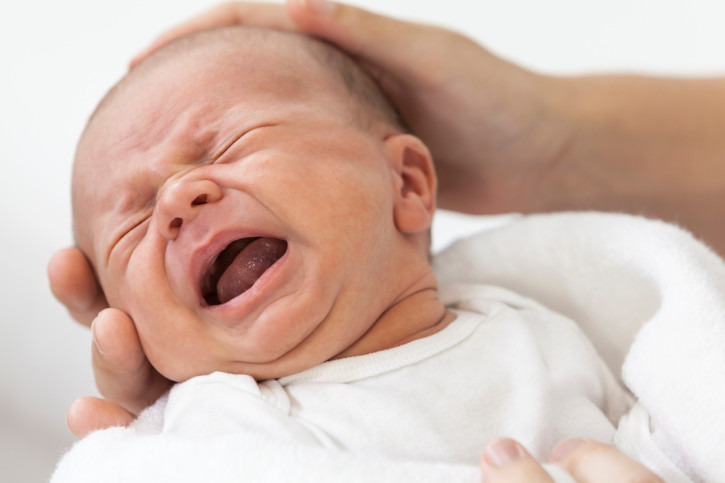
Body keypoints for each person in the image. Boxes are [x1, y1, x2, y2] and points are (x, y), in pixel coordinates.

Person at [50, 0, 715, 480]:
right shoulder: (217, 432)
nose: (174, 200)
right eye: (131, 221)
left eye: (228, 143)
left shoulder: (548, 322)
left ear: (405, 183)